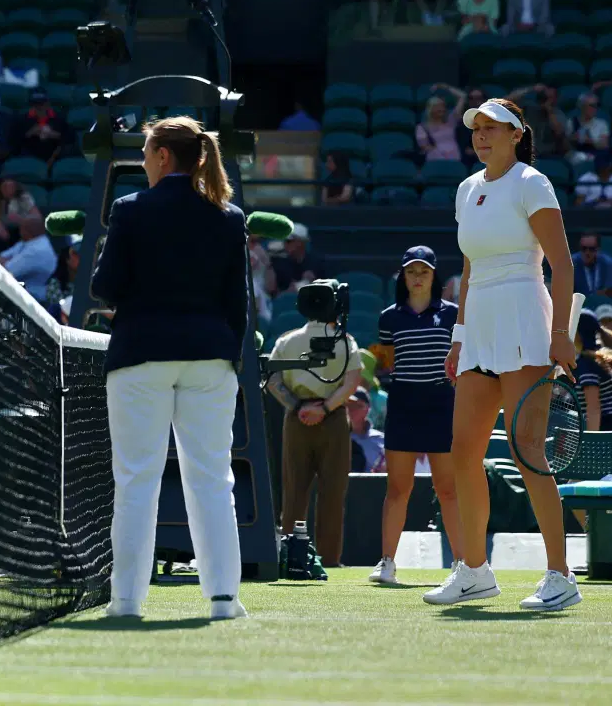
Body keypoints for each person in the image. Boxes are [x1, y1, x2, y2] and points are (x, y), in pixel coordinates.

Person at [90, 116, 249, 620]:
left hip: (141, 354)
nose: (142, 159)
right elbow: (237, 303)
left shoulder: (130, 209)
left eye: (145, 151)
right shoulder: (228, 217)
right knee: (212, 479)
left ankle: (126, 602)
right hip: (211, 358)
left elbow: (104, 287)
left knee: (137, 479)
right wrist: (229, 356)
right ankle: (224, 600)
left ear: (162, 157)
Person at [424, 98, 579, 611]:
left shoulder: (533, 183)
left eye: (494, 128)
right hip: (480, 331)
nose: (483, 136)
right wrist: (458, 337)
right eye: (478, 129)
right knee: (462, 453)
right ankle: (474, 570)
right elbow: (468, 271)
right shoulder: (467, 189)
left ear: (517, 134)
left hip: (525, 322)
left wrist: (560, 333)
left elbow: (561, 262)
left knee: (526, 450)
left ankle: (561, 575)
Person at [369, 246, 464, 585]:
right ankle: (387, 563)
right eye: (412, 271)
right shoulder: (389, 318)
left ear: (434, 275)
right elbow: (389, 361)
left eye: (424, 271)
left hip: (442, 403)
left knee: (448, 489)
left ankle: (462, 565)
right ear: (404, 276)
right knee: (397, 488)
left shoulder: (454, 315)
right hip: (404, 403)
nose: (418, 277)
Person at [267, 316, 361, 569]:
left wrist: (298, 405)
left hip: (298, 417)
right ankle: (329, 559)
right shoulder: (346, 342)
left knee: (294, 491)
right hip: (334, 419)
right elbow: (352, 381)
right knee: (332, 492)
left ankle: (289, 557)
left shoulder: (286, 340)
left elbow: (273, 381)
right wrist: (327, 407)